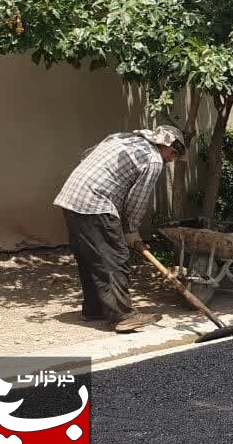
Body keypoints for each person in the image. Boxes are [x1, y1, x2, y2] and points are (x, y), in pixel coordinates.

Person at [53, 126, 187, 332]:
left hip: (72, 197)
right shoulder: (153, 159)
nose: (172, 159)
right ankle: (122, 316)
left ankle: (94, 309)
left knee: (91, 258)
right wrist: (131, 230)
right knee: (116, 257)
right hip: (95, 203)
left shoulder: (124, 138)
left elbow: (86, 155)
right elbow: (137, 201)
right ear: (165, 144)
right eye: (173, 153)